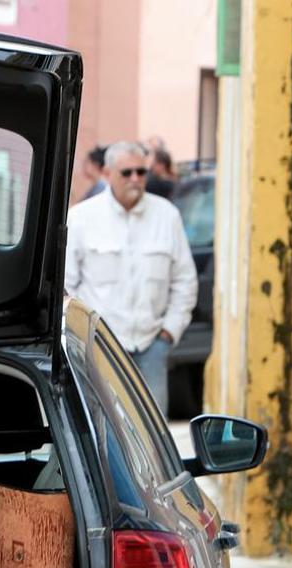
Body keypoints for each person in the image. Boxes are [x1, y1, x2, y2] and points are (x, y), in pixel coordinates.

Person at [64, 141, 198, 415]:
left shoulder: (167, 215)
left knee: (153, 439)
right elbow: (66, 285)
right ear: (107, 174)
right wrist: (82, 336)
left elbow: (185, 279)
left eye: (141, 172)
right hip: (99, 348)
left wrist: (168, 333)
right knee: (98, 430)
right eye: (127, 173)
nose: (135, 179)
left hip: (151, 346)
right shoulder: (81, 218)